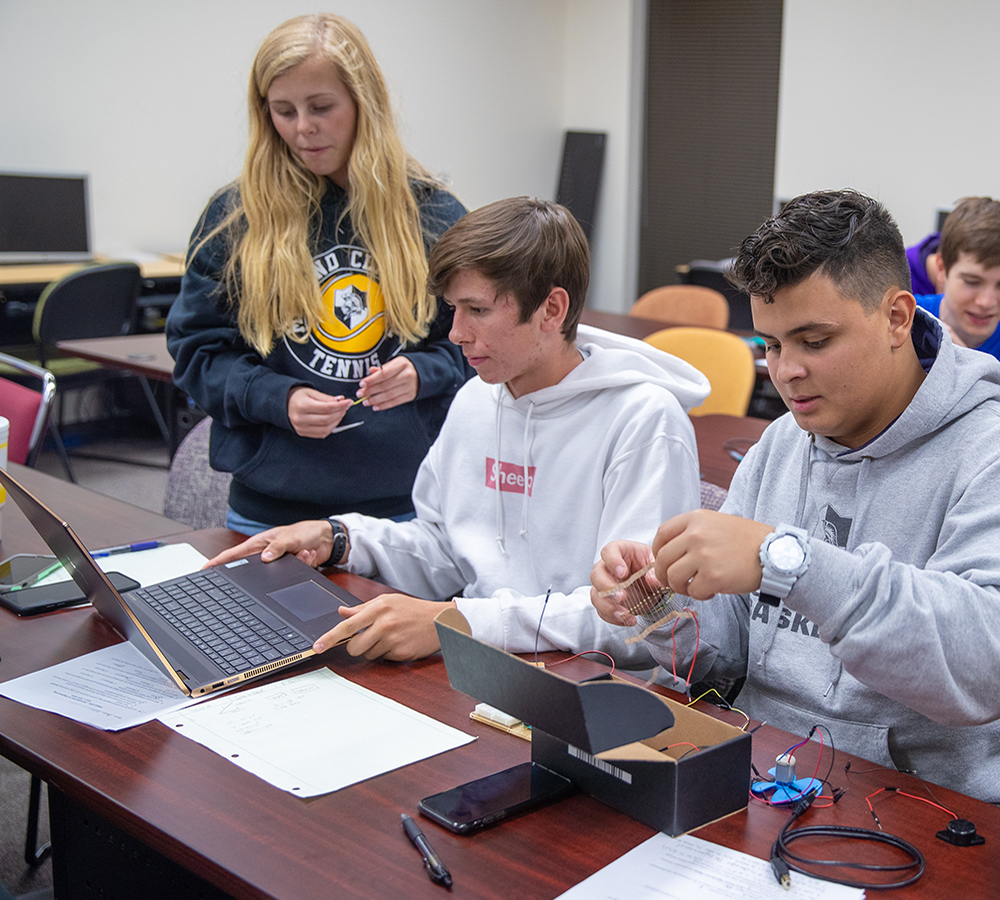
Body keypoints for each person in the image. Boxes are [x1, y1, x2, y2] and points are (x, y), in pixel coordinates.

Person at [591, 189, 1000, 802]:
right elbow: (723, 655)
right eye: (773, 345)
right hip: (758, 775)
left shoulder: (985, 451)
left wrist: (789, 560)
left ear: (896, 318)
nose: (785, 373)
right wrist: (655, 600)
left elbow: (981, 665)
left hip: (911, 807)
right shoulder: (783, 443)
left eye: (814, 341)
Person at [208, 197, 709, 664]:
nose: (455, 334)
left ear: (552, 310)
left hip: (591, 688)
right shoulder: (476, 398)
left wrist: (463, 623)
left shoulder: (644, 421)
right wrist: (341, 538)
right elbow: (447, 550)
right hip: (485, 662)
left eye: (478, 310)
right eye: (453, 309)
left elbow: (636, 622)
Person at [166, 14, 468, 534]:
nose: (303, 128)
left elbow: (479, 346)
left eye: (322, 108)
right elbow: (198, 353)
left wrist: (425, 374)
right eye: (283, 111)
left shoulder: (434, 215)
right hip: (270, 511)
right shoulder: (235, 217)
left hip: (404, 510)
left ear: (363, 104)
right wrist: (276, 399)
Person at [914, 196, 1000, 359]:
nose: (986, 302)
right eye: (971, 282)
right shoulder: (902, 319)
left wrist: (963, 363)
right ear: (941, 268)